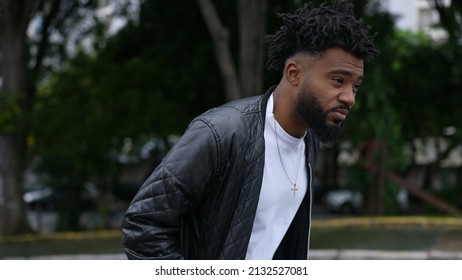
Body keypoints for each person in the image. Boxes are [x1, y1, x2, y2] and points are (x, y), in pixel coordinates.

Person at [122, 0, 379, 260]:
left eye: (355, 86)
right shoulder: (222, 133)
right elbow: (143, 226)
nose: (350, 98)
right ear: (294, 73)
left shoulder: (308, 141)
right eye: (338, 81)